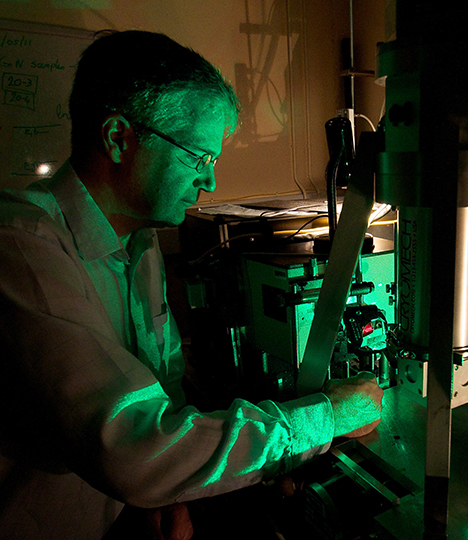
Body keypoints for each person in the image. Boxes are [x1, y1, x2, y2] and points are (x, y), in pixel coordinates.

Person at [0, 30, 382, 540]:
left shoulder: (139, 240)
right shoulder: (22, 248)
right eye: (197, 158)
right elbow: (132, 447)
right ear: (118, 138)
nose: (210, 183)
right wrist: (327, 417)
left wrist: (169, 494)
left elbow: (163, 390)